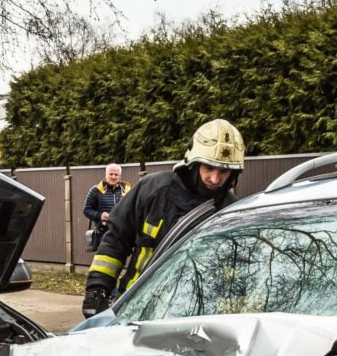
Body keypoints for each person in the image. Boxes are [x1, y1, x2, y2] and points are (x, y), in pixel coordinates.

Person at [82, 119, 245, 318]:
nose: (215, 179)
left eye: (224, 171)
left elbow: (232, 272)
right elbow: (116, 238)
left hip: (195, 317)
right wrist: (97, 289)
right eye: (209, 168)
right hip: (135, 307)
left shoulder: (230, 211)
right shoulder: (153, 189)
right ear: (193, 163)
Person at [83, 163, 131, 251]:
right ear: (106, 175)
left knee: (119, 260)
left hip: (122, 233)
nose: (113, 177)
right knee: (104, 260)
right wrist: (100, 216)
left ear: (120, 176)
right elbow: (86, 209)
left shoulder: (127, 190)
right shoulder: (96, 190)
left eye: (116, 174)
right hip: (103, 233)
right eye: (111, 174)